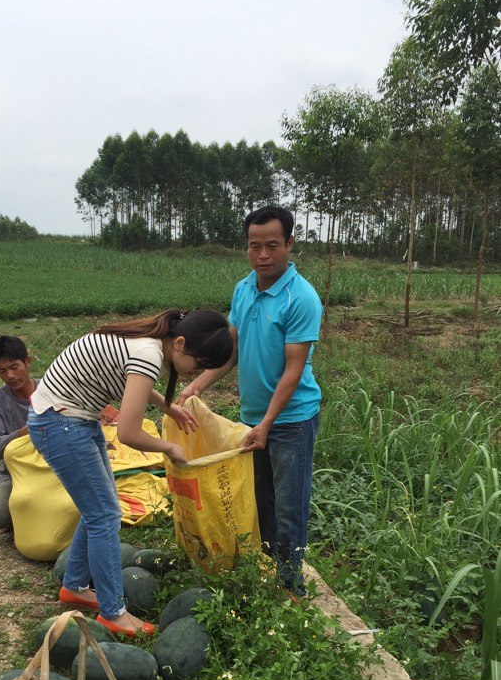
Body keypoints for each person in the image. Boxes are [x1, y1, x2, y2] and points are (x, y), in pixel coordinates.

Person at [28, 309, 233, 635]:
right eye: (199, 362)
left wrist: (168, 406)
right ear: (179, 344)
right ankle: (112, 612)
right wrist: (168, 447)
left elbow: (133, 382)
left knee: (99, 507)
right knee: (104, 515)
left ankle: (75, 585)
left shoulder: (149, 340)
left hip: (68, 417)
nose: (198, 371)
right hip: (61, 422)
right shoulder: (149, 353)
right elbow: (128, 433)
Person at [178, 206, 322, 595]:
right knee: (259, 500)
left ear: (289, 244)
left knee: (289, 506)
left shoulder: (302, 298)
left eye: (272, 245)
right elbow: (232, 349)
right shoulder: (243, 290)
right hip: (252, 419)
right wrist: (196, 387)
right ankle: (267, 570)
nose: (263, 255)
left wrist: (267, 423)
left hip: (291, 419)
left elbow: (294, 369)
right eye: (254, 246)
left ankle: (290, 585)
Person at [0, 335, 38, 531]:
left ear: (27, 362)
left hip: (55, 469)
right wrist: (25, 432)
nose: (10, 376)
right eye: (2, 371)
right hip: (15, 473)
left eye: (14, 367)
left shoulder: (51, 391)